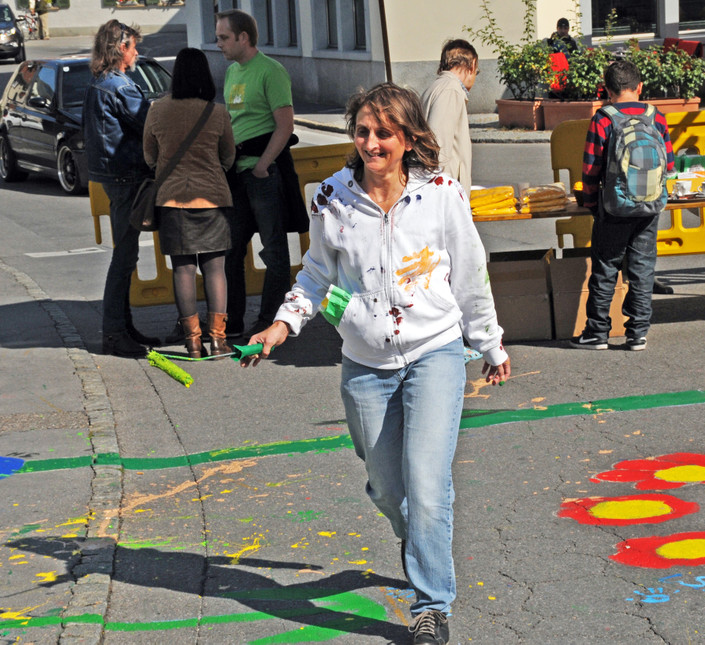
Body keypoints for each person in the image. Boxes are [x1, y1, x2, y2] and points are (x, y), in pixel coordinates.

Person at [240, 83, 511, 644]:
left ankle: (431, 604)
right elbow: (316, 274)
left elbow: (470, 271)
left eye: (384, 132)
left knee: (428, 485)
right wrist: (281, 325)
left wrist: (489, 342)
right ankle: (419, 542)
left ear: (408, 138)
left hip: (435, 351)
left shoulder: (441, 193)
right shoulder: (332, 197)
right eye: (362, 131)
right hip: (365, 362)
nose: (371, 143)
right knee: (389, 490)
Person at [573, 60, 674, 352]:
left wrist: (592, 203)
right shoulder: (656, 117)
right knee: (642, 268)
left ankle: (597, 333)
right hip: (649, 207)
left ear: (607, 90)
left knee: (605, 267)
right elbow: (669, 164)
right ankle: (637, 334)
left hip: (614, 208)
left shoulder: (603, 118)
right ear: (639, 87)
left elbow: (590, 168)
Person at [215, 9, 303, 339]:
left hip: (263, 174)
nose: (219, 43)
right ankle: (234, 320)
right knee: (231, 249)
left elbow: (285, 126)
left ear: (244, 37)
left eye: (224, 37)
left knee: (273, 250)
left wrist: (263, 164)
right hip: (237, 173)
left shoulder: (271, 71)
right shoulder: (231, 72)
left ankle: (269, 320)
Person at [143, 48, 235, 359]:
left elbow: (149, 156)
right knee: (215, 269)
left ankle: (193, 342)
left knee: (182, 269)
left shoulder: (157, 110)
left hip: (172, 199)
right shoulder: (217, 112)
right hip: (212, 198)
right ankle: (218, 340)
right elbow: (228, 156)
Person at [83, 20, 159, 358]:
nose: (137, 53)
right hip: (127, 175)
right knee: (125, 257)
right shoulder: (119, 85)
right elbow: (149, 125)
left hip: (113, 175)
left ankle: (123, 328)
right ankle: (114, 333)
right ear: (120, 48)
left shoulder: (100, 82)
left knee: (125, 255)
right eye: (133, 47)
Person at [420, 39, 478, 192]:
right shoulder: (451, 90)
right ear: (472, 66)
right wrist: (441, 194)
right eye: (477, 72)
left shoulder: (437, 86)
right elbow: (438, 146)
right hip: (444, 191)